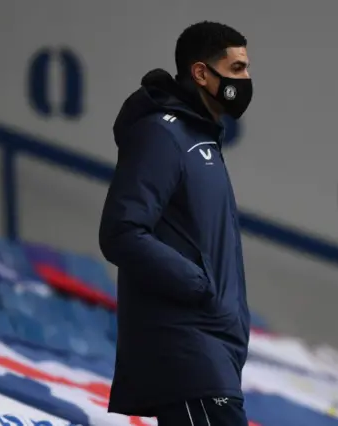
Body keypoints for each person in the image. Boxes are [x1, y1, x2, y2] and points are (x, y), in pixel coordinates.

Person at [98, 21, 252, 426]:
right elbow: (121, 230)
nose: (246, 80)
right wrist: (197, 284)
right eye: (236, 69)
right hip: (190, 354)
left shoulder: (201, 142)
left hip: (213, 359)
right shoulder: (162, 135)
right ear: (201, 73)